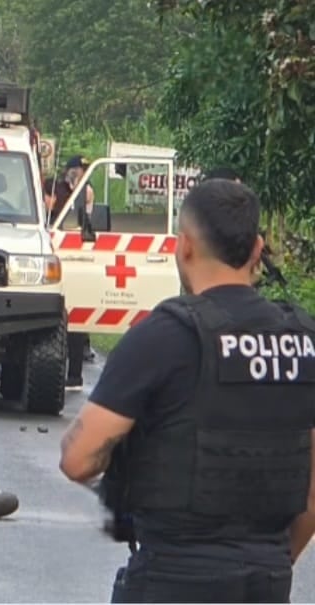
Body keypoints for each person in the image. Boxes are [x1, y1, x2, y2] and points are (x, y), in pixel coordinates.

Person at [58, 178, 315, 603]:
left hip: (171, 580)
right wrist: (270, 562)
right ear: (256, 250)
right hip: (265, 583)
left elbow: (78, 459)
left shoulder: (164, 337)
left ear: (185, 246)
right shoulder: (302, 341)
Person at [45, 155, 97, 387]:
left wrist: (84, 196)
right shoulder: (52, 185)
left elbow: (87, 219)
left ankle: (74, 374)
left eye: (84, 170)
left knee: (76, 318)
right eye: (77, 169)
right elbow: (46, 208)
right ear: (68, 170)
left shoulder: (86, 192)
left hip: (76, 258)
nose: (80, 174)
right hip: (49, 255)